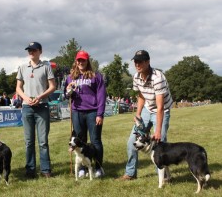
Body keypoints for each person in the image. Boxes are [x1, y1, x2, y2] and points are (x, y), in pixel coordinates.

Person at [116, 50, 173, 180]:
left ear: (148, 62)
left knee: (160, 142)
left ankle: (163, 175)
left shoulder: (158, 78)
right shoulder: (136, 76)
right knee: (132, 141)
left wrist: (157, 131)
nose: (137, 64)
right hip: (147, 109)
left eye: (140, 61)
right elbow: (141, 95)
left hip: (162, 109)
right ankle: (130, 173)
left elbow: (160, 107)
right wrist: (138, 114)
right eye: (135, 61)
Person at [16, 42, 56, 178]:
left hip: (42, 106)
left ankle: (45, 170)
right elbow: (18, 88)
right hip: (27, 107)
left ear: (40, 51)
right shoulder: (22, 67)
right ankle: (30, 169)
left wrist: (40, 96)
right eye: (29, 50)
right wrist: (26, 98)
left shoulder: (46, 67)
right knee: (29, 142)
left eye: (34, 50)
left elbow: (52, 86)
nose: (31, 52)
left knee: (43, 141)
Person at [64, 50, 106, 178]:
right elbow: (66, 95)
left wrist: (100, 114)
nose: (81, 62)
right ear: (76, 62)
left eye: (83, 60)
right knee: (79, 140)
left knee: (95, 141)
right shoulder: (70, 77)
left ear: (87, 61)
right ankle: (82, 167)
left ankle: (98, 167)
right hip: (77, 112)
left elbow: (101, 95)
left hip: (93, 112)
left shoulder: (96, 76)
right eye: (79, 60)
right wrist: (68, 91)